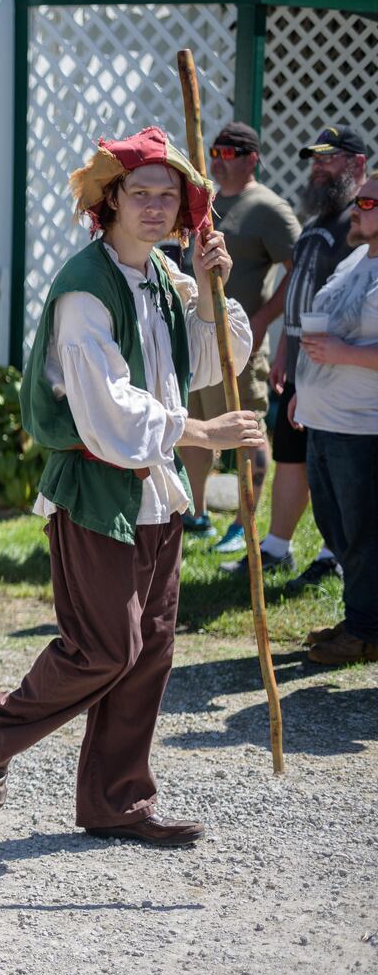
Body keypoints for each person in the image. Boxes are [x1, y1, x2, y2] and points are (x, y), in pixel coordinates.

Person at [0, 128, 259, 846]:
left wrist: (214, 292)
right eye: (142, 195)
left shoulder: (164, 277)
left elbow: (210, 361)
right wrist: (205, 434)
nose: (156, 208)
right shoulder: (84, 291)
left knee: (151, 651)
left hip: (154, 491)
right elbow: (108, 412)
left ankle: (117, 802)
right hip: (97, 487)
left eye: (169, 197)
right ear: (111, 201)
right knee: (104, 648)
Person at [230, 126, 367, 590]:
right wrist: (285, 350)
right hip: (301, 362)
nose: (317, 168)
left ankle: (335, 554)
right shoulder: (315, 225)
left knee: (333, 464)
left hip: (337, 367)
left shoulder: (361, 223)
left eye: (328, 160)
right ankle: (277, 546)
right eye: (315, 160)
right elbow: (298, 299)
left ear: (357, 164)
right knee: (293, 455)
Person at [178, 122, 298, 553]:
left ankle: (245, 523)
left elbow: (297, 267)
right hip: (198, 340)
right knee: (196, 428)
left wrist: (265, 318)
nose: (218, 160)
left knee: (246, 429)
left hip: (240, 343)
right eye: (215, 151)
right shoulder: (203, 201)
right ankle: (197, 513)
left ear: (252, 158)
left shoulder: (267, 208)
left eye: (230, 153)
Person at [289, 170, 378, 665]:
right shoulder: (355, 260)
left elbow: (342, 346)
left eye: (367, 204)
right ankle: (363, 618)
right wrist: (305, 390)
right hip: (324, 420)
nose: (356, 209)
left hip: (363, 427)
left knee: (363, 534)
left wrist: (343, 352)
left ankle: (366, 632)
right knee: (336, 528)